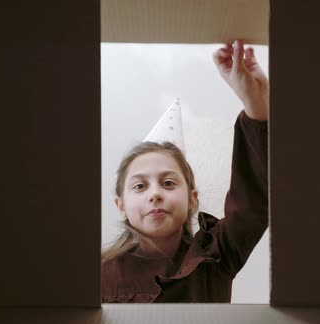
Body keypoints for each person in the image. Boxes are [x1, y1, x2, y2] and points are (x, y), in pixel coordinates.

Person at [101, 39, 269, 303]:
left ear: (192, 198)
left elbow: (252, 204)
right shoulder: (99, 274)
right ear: (120, 205)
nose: (155, 194)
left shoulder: (217, 254)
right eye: (140, 186)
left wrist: (255, 104)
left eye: (168, 183)